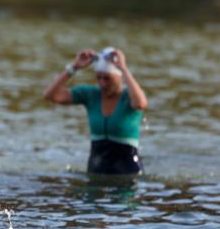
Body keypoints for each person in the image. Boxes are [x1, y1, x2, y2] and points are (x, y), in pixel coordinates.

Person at [43, 47, 148, 175]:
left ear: (120, 77)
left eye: (107, 78)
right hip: (96, 170)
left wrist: (124, 68)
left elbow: (141, 103)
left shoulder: (129, 97)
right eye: (98, 78)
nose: (102, 83)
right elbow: (51, 95)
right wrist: (74, 67)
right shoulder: (91, 95)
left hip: (128, 173)